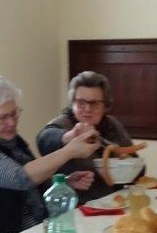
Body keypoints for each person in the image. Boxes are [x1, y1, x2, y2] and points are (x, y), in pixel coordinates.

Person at [0, 76, 100, 233]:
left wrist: (64, 182)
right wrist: (69, 151)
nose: (11, 123)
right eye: (2, 118)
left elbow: (32, 179)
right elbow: (21, 178)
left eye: (14, 114)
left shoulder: (10, 141)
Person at [36, 70, 140, 203]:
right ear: (72, 103)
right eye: (81, 102)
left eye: (94, 103)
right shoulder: (63, 123)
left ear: (105, 106)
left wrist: (123, 163)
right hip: (75, 206)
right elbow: (44, 139)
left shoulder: (112, 125)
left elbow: (139, 169)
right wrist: (68, 136)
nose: (87, 109)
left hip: (113, 203)